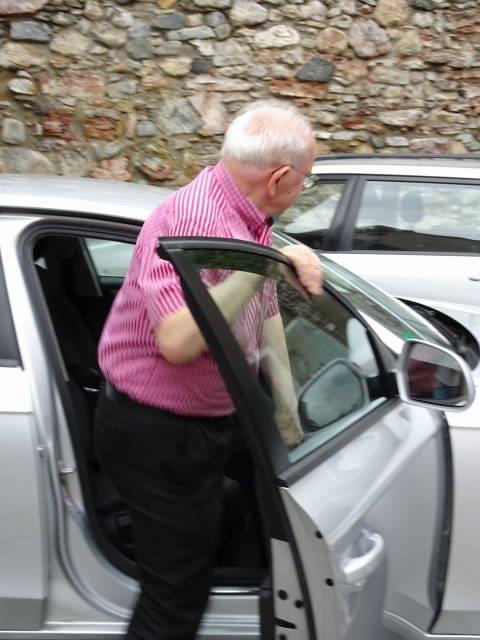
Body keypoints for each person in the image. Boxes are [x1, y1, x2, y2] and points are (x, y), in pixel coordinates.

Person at [94, 100, 322, 640]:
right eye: (306, 181)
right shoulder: (189, 222)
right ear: (280, 178)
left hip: (219, 413)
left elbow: (264, 310)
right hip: (159, 433)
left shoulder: (246, 213)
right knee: (175, 600)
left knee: (266, 511)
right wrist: (257, 265)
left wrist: (285, 408)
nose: (303, 189)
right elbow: (177, 341)